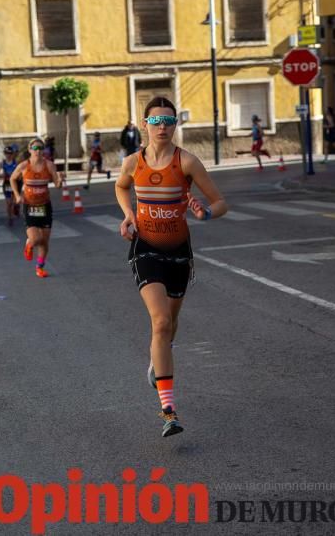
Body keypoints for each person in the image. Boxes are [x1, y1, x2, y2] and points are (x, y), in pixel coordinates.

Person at [115, 96, 227, 437]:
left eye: (168, 121)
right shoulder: (134, 162)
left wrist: (205, 212)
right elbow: (121, 187)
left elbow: (221, 202)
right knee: (160, 320)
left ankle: (157, 357)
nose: (162, 126)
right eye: (156, 121)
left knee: (171, 323)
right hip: (145, 249)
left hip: (179, 252)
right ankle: (168, 410)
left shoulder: (188, 162)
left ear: (175, 125)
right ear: (143, 125)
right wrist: (129, 215)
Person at [10, 137, 62, 279]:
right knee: (35, 239)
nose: (38, 151)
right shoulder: (24, 166)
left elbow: (57, 185)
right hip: (29, 206)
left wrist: (60, 180)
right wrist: (17, 195)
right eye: (35, 148)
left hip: (45, 206)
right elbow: (12, 178)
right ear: (29, 150)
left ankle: (39, 267)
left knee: (45, 241)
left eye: (40, 148)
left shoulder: (49, 165)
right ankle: (29, 244)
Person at [0, 147, 18, 226]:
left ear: (12, 154)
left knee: (14, 202)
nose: (8, 155)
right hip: (6, 185)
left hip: (14, 184)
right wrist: (1, 174)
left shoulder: (15, 162)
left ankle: (16, 208)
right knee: (8, 203)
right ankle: (10, 218)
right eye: (7, 153)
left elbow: (19, 173)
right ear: (5, 154)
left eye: (10, 153)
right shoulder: (2, 163)